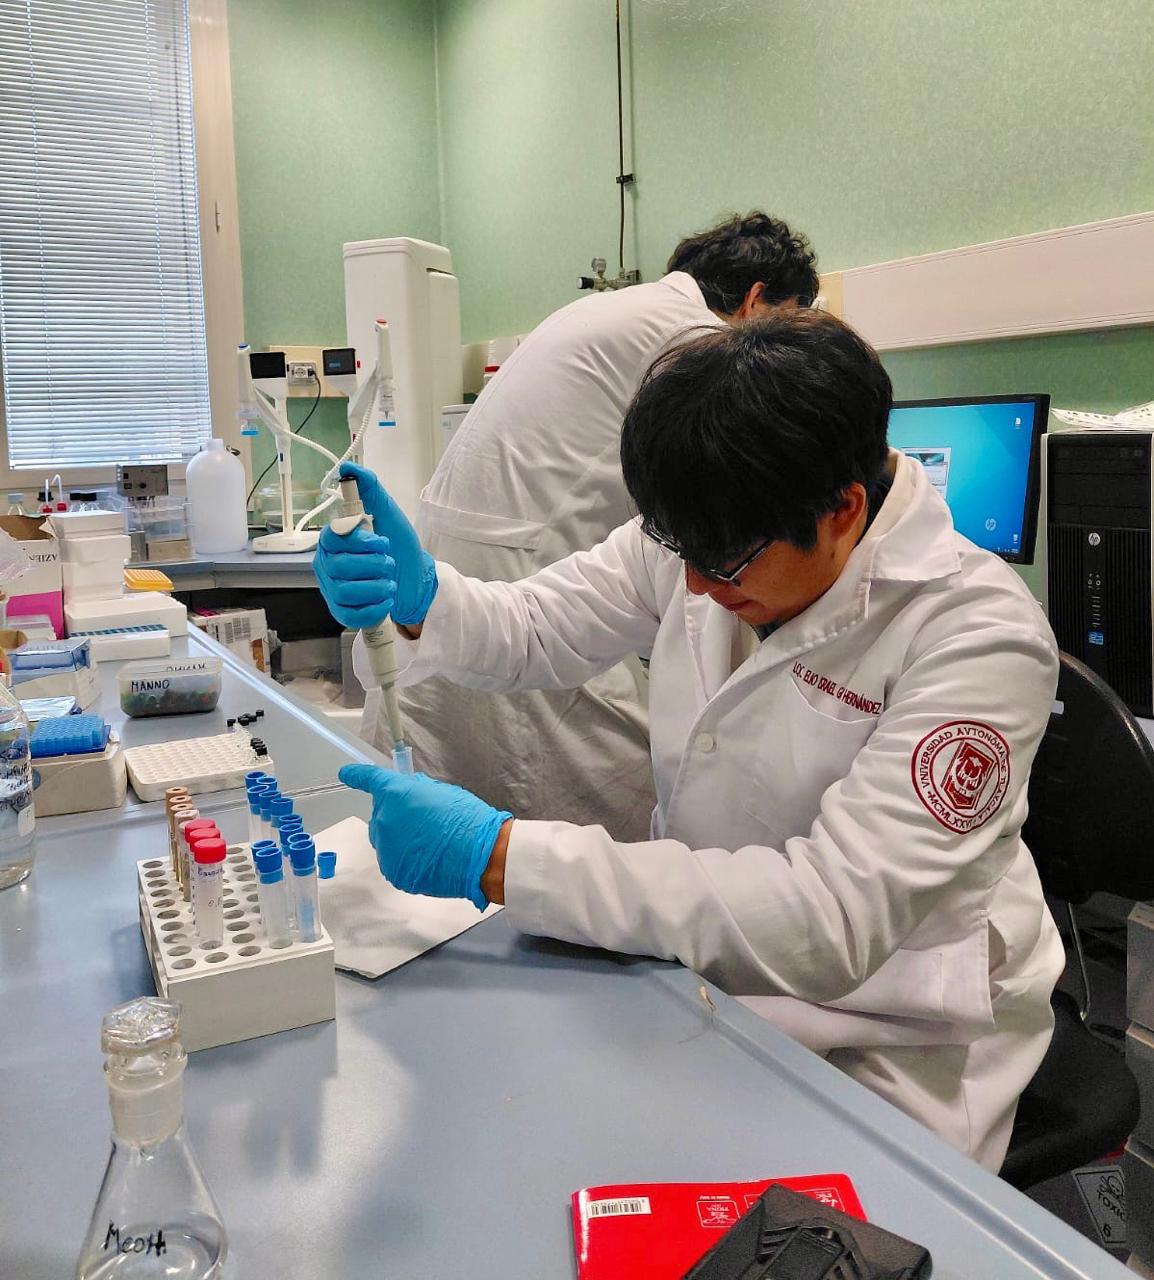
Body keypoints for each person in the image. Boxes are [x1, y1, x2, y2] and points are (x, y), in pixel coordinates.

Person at [314, 309, 1063, 1170]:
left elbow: (830, 916)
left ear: (842, 511)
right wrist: (424, 600)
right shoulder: (719, 523)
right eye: (682, 555)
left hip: (894, 1024)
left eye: (725, 564)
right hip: (706, 965)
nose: (697, 588)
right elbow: (538, 626)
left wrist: (502, 857)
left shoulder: (977, 636)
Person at [360, 212, 820, 841]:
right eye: (788, 323)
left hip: (491, 556)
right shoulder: (704, 342)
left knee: (489, 785)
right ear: (755, 299)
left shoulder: (617, 311)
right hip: (529, 564)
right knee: (606, 798)